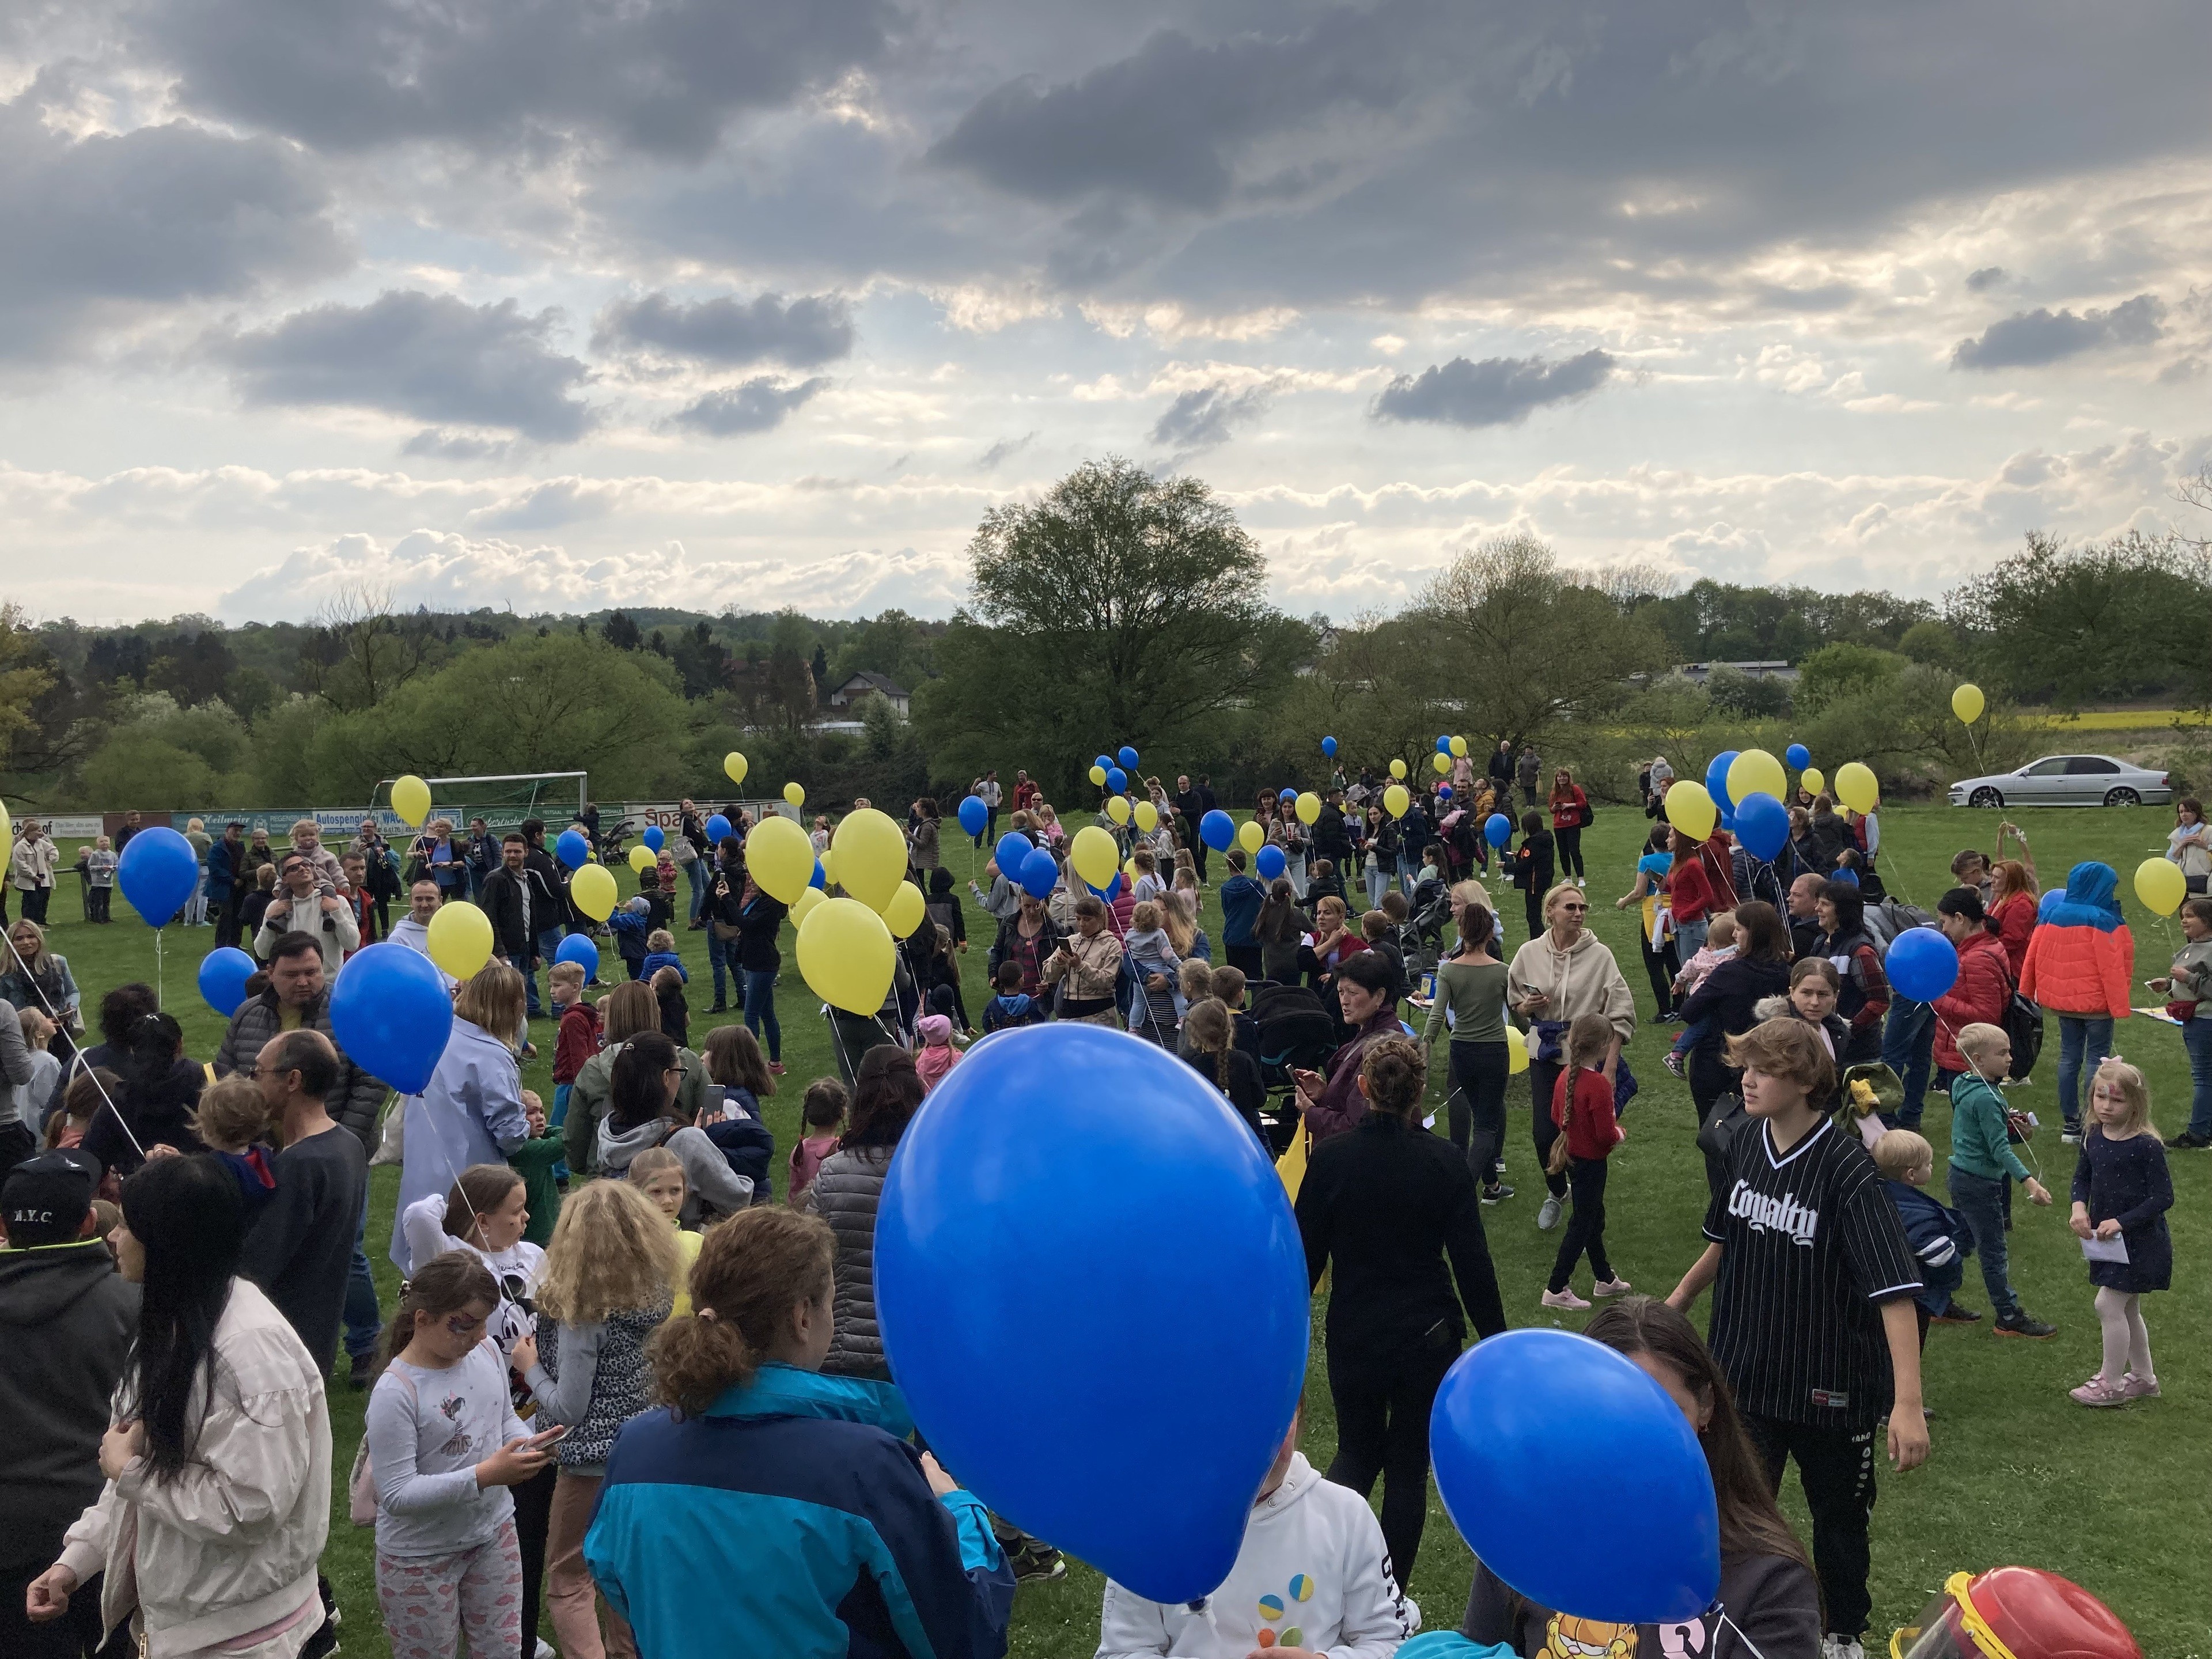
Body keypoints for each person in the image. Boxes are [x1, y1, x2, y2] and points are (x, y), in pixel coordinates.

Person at [581, 1206, 1014, 1654]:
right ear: (803, 1316)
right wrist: (958, 1510)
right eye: (831, 1302)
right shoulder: (866, 1467)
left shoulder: (635, 1450)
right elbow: (967, 1635)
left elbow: (618, 1581)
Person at [1666, 1019, 1928, 1657]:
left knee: (1839, 1523)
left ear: (1807, 1082)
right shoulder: (1744, 1142)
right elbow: (1724, 1239)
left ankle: (1841, 1634)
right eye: (1746, 1067)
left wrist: (1908, 1404)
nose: (1748, 1080)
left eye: (1765, 1070)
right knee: (1731, 1512)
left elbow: (1895, 1292)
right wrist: (1675, 1306)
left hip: (1830, 1386)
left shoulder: (1847, 1169)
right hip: (1742, 1378)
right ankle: (1719, 1626)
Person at [28, 1156, 333, 1659]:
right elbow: (137, 1478)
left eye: (128, 1226)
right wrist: (75, 1563)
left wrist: (131, 1473)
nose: (113, 1237)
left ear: (168, 1241)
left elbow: (250, 1508)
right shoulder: (176, 1324)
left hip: (246, 1639)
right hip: (181, 1629)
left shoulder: (252, 1356)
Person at [1460, 1296, 1821, 1659]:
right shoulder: (1527, 1533)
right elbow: (1480, 1648)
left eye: (1662, 1416)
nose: (1635, 1444)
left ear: (1706, 1406)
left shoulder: (1770, 1580)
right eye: (1609, 1416)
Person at [1296, 1035, 1506, 1582]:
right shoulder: (1445, 1162)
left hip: (1355, 1332)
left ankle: (1318, 1577)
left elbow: (1303, 1260)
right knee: (1408, 1469)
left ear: (1364, 1087)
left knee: (1356, 1453)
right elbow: (1473, 1264)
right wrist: (1497, 1339)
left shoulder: (1332, 1160)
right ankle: (1391, 1596)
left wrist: (1282, 1331)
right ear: (1420, 1093)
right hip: (1426, 1336)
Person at [1098, 1400, 1418, 1659]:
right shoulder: (1152, 1529)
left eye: (1275, 1418)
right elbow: (1123, 1650)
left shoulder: (1346, 1516)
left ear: (1298, 1416)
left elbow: (1389, 1641)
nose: (1255, 1444)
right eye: (1236, 1421)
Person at [396, 1161, 559, 1642]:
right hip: (474, 1410)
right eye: (515, 1210)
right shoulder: (455, 1258)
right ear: (482, 1219)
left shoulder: (533, 1254)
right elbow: (419, 1217)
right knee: (481, 1514)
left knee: (526, 1531)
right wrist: (453, 1204)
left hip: (531, 1408)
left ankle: (516, 1630)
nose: (526, 1218)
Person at [512, 1179, 674, 1659]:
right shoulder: (651, 1299)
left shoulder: (584, 1317)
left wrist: (530, 1367)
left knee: (569, 1579)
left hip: (589, 1465)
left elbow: (568, 1410)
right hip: (643, 1456)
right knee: (622, 1571)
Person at [366, 1252, 555, 1659]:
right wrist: (485, 1475)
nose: (479, 1335)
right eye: (466, 1324)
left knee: (504, 1651)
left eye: (484, 1322)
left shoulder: (485, 1352)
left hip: (494, 1535)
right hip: (420, 1558)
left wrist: (528, 1445)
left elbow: (503, 1417)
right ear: (423, 1319)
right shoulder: (396, 1392)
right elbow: (396, 1494)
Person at [0, 1150, 138, 1659]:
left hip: (12, 1536)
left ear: (3, 1226)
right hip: (108, 1521)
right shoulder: (132, 1304)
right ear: (88, 1222)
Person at [240, 1028, 376, 1377]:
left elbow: (255, 1265)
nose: (251, 1081)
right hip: (317, 1339)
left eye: (258, 1072)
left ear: (293, 1080)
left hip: (280, 1347)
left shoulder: (300, 1165)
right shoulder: (348, 1144)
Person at [1507, 882, 1637, 1230]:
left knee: (1584, 1139)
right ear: (1550, 912)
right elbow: (1515, 1000)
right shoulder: (1529, 952)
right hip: (1544, 1053)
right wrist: (1526, 1006)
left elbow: (1621, 1013)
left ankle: (1587, 1210)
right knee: (1543, 1134)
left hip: (1586, 1061)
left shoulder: (1600, 955)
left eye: (1583, 908)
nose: (1579, 913)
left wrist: (1610, 1069)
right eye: (1571, 907)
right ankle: (1557, 1192)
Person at [391, 965, 533, 1271]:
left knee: (427, 1255)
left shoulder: (437, 1035)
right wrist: (526, 1126)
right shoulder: (491, 1054)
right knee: (472, 1270)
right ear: (514, 1007)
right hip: (473, 1176)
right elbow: (509, 1134)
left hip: (424, 1166)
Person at [799, 1045, 922, 1381]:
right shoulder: (936, 1171)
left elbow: (806, 1262)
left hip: (847, 1350)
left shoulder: (832, 1173)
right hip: (921, 1348)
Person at [2066, 1058, 2172, 1407]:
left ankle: (2110, 1383)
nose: (2107, 1106)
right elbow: (2082, 1177)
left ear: (2135, 1103)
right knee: (2127, 1309)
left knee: (2108, 1303)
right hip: (2107, 1242)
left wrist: (2122, 1222)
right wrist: (2078, 1208)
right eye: (2101, 1097)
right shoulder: (2093, 1135)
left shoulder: (2146, 1146)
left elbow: (2163, 1197)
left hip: (2141, 1242)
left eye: (2117, 1100)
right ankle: (2143, 1378)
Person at [1942, 1024, 2057, 1338]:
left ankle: (1934, 1298)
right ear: (1978, 1059)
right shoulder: (1988, 1098)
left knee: (1962, 1240)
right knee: (1993, 1252)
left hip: (1961, 1176)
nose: (2010, 1058)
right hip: (1980, 1183)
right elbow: (1998, 1150)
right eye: (2002, 1053)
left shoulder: (1964, 1083)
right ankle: (2008, 1315)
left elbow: (1980, 1134)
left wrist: (2015, 1130)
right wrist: (2030, 1183)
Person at [2018, 861, 2133, 1141]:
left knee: (2069, 1057)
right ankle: (2092, 1120)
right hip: (2097, 1004)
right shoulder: (2103, 919)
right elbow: (2113, 967)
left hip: (2062, 1001)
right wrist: (2118, 1005)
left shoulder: (2053, 913)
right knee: (2097, 1059)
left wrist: (2027, 989)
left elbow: (2033, 954)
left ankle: (2071, 1122)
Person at [594, 1031, 756, 1219]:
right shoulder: (689, 1141)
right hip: (679, 1237)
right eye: (680, 1072)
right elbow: (738, 1198)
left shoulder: (607, 1131)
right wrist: (711, 1147)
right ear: (666, 1077)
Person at [564, 983, 712, 1179]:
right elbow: (711, 1120)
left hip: (608, 1181)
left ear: (611, 1017)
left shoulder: (594, 1069)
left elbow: (575, 1143)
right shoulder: (687, 1062)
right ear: (656, 1013)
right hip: (676, 1178)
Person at [1422, 903, 1513, 1203]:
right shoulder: (1502, 971)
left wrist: (1426, 1046)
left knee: (1478, 1114)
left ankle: (1492, 1186)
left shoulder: (1448, 969)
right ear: (1489, 935)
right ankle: (1461, 1193)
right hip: (1494, 1051)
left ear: (1461, 932)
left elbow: (1437, 1014)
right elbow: (1517, 1012)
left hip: (1461, 1051)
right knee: (1486, 1127)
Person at [1541, 1012, 1629, 1310]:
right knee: (1583, 1222)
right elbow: (1605, 1135)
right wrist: (1619, 1133)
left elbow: (1557, 1116)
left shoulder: (1565, 1076)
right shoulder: (1599, 1085)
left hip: (1573, 1157)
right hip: (1592, 1162)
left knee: (1592, 1216)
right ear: (1604, 1046)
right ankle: (1556, 1287)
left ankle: (1604, 1278)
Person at [1293, 952, 1410, 1143]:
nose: (1344, 1001)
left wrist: (1311, 1112)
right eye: (1341, 992)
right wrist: (1325, 1094)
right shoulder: (1370, 1034)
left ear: (1379, 996)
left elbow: (1358, 1128)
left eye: (1352, 993)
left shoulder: (1383, 1050)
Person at [1874, 1130, 1974, 1343]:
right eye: (1927, 1164)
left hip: (1881, 1286)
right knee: (1909, 1345)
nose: (1931, 1167)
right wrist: (1953, 1273)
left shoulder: (1877, 1197)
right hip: (1917, 1295)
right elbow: (1940, 1257)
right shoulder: (1919, 1215)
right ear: (1911, 1175)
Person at [83, 1010, 203, 1179]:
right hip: (205, 1185)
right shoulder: (212, 1082)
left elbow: (89, 1161)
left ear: (133, 1051)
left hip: (139, 1189)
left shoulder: (120, 1100)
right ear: (179, 1045)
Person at [1929, 890, 2013, 1091]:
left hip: (1970, 1057)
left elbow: (1986, 1016)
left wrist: (1936, 998)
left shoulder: (1978, 959)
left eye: (1944, 922)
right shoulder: (1982, 947)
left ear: (1959, 918)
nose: (1943, 929)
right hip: (1966, 1054)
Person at [2149, 894, 2212, 1147]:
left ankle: (2198, 1134)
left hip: (2206, 1021)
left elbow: (2202, 984)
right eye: (2183, 916)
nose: (2184, 921)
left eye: (2190, 916)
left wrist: (2187, 979)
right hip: (2196, 1020)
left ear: (2207, 921)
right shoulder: (2192, 947)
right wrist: (2169, 985)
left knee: (2204, 1078)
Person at [1809, 881, 1889, 1066]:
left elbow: (1880, 1001)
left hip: (1857, 1054)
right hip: (1825, 1047)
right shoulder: (1821, 942)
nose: (1817, 908)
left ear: (1842, 911)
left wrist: (1847, 1030)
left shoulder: (1861, 951)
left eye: (1825, 904)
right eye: (1818, 902)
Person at [1178, 997, 1267, 1147]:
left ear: (1194, 1036)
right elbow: (1260, 1099)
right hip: (1248, 1135)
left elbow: (1190, 1107)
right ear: (1230, 1028)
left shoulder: (1194, 1067)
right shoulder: (1244, 1059)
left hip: (1210, 1138)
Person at [255, 851, 361, 976]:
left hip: (329, 982)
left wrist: (336, 913)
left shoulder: (337, 902)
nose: (302, 868)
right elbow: (262, 953)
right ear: (284, 879)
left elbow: (352, 945)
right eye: (294, 868)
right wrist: (269, 920)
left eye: (305, 864)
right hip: (292, 983)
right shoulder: (276, 908)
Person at [1615, 825, 1681, 1020]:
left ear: (1651, 843)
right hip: (1675, 912)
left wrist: (1623, 902)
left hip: (1654, 915)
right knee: (1675, 963)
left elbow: (1640, 892)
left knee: (1655, 965)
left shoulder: (1647, 861)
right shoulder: (1677, 859)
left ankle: (1664, 1010)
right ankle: (1679, 1008)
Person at [733, 870, 788, 1070]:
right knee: (767, 1013)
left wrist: (728, 900)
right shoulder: (759, 901)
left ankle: (751, 1066)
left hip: (762, 964)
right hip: (755, 962)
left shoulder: (771, 905)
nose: (751, 881)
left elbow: (746, 923)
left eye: (756, 878)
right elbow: (737, 918)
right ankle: (775, 1063)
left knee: (751, 1015)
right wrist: (725, 899)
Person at [1042, 896, 1124, 1028]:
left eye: (1087, 919)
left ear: (1100, 919)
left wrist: (1080, 966)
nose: (1081, 924)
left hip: (1099, 1012)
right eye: (1078, 919)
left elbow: (1107, 981)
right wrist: (1058, 963)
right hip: (1070, 1009)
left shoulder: (1112, 944)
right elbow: (1048, 977)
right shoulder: (1071, 941)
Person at [3, 919, 81, 1054]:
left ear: (39, 939)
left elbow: (73, 992)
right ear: (10, 942)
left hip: (59, 1031)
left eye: (31, 936)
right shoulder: (4, 972)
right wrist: (36, 1021)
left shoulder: (58, 963)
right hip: (22, 1037)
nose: (26, 942)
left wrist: (69, 1009)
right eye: (19, 938)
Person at [1510, 812, 1554, 940]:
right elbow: (1535, 858)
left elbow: (1524, 866)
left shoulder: (1534, 843)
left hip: (1535, 882)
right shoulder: (1544, 839)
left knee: (1533, 916)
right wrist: (1519, 855)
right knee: (1534, 915)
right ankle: (1539, 940)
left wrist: (1506, 866)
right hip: (1544, 879)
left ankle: (1539, 941)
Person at [9, 821, 62, 926]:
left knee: (43, 900)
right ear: (31, 832)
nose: (41, 833)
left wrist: (51, 859)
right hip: (28, 880)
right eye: (39, 831)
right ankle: (29, 924)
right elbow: (20, 864)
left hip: (43, 878)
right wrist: (32, 875)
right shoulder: (20, 846)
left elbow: (53, 849)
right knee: (31, 902)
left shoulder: (41, 843)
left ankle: (41, 922)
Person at [1548, 768, 1590, 885]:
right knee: (1563, 852)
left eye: (1564, 776)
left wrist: (1569, 805)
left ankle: (1581, 878)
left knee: (1575, 851)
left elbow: (1583, 803)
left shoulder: (1575, 789)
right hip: (1559, 825)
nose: (1562, 778)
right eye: (1560, 776)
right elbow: (1551, 809)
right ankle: (1568, 876)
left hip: (1573, 824)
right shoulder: (1554, 792)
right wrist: (1554, 808)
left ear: (1568, 778)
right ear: (1556, 779)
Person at [386, 877, 443, 961]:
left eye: (430, 899)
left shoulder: (450, 929)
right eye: (419, 900)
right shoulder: (399, 938)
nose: (424, 905)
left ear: (440, 901)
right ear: (411, 902)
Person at [207, 822, 243, 944]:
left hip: (240, 887)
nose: (238, 833)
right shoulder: (217, 847)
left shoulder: (240, 847)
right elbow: (214, 868)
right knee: (226, 917)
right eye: (235, 830)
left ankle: (235, 944)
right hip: (223, 887)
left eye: (240, 831)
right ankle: (221, 945)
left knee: (239, 916)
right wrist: (233, 880)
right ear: (227, 831)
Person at [79, 838, 118, 924]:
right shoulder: (95, 854)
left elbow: (117, 865)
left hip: (108, 883)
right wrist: (101, 868)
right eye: (101, 841)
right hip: (97, 883)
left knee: (106, 901)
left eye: (106, 841)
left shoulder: (113, 855)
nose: (104, 843)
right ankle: (97, 918)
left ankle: (106, 918)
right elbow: (90, 866)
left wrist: (112, 868)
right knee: (97, 902)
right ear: (98, 844)